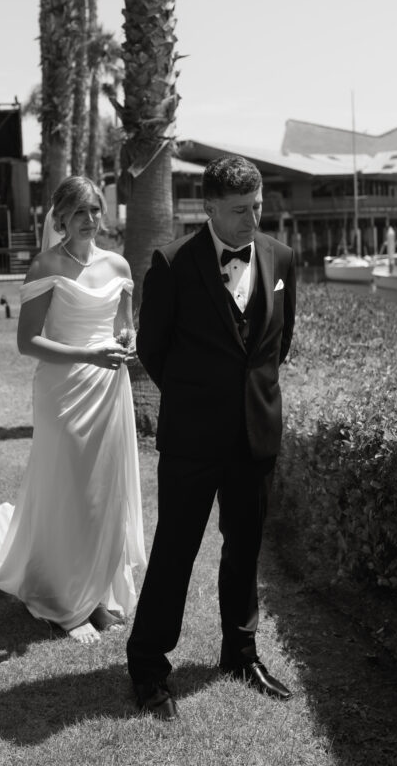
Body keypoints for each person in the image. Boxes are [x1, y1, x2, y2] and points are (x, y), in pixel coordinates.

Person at [0, 176, 146, 645]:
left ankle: (97, 596)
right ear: (60, 217)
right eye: (79, 212)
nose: (88, 220)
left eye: (95, 211)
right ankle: (64, 604)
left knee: (105, 493)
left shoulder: (118, 264)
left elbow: (126, 326)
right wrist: (89, 356)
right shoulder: (45, 265)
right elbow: (28, 342)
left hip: (110, 389)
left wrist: (127, 342)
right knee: (69, 490)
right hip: (65, 392)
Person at [126, 156, 296, 719]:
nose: (254, 220)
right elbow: (153, 348)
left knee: (244, 549)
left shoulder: (281, 259)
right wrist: (200, 396)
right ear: (210, 208)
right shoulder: (172, 263)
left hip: (255, 434)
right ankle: (149, 665)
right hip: (193, 439)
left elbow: (278, 344)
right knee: (176, 550)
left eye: (258, 208)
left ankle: (240, 653)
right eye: (241, 211)